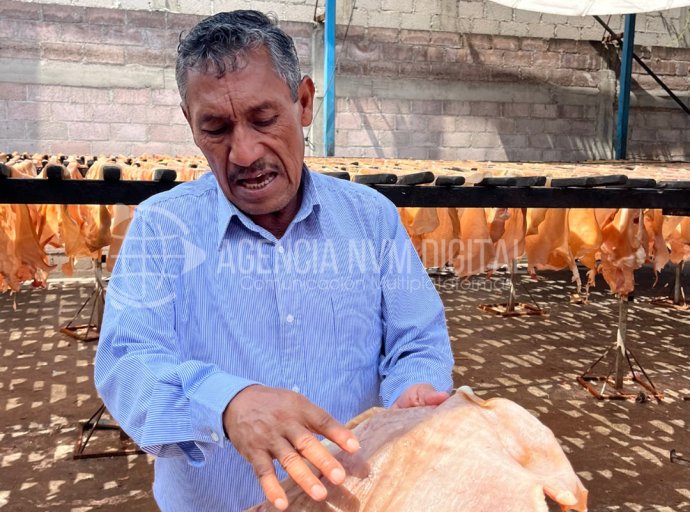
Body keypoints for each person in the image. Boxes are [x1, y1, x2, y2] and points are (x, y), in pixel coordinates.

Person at [94, 10, 453, 512]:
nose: (243, 153)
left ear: (303, 102)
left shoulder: (371, 220)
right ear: (190, 124)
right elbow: (126, 364)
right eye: (216, 128)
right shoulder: (162, 228)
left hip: (354, 497)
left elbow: (417, 340)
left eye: (264, 120)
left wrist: (414, 391)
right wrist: (225, 404)